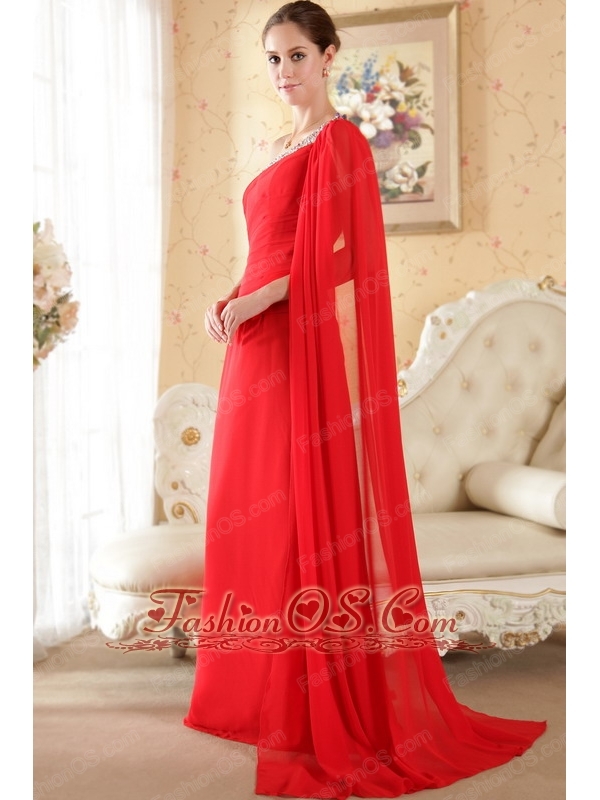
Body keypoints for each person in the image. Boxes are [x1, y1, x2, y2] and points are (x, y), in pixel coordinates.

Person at [183, 2, 547, 797]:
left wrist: (264, 299)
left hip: (295, 343)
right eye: (273, 58)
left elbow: (347, 260)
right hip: (251, 345)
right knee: (247, 505)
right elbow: (265, 252)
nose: (284, 72)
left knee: (295, 512)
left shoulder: (340, 142)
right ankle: (256, 694)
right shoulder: (276, 146)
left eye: (297, 56)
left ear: (329, 56)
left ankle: (314, 702)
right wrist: (230, 298)